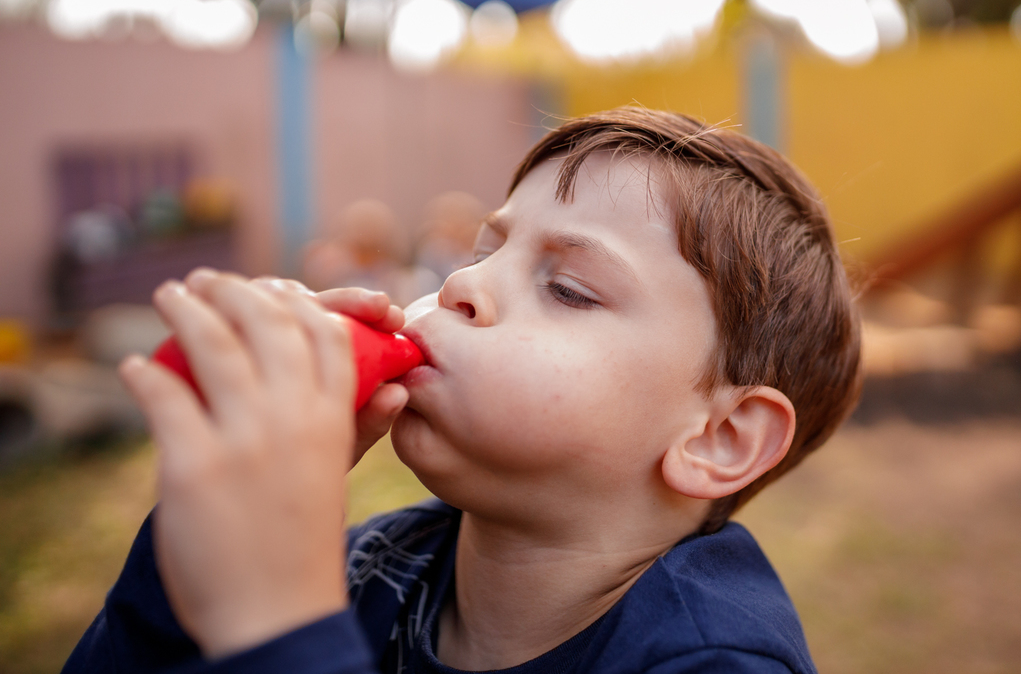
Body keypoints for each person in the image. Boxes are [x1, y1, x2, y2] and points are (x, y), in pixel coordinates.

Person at [63, 107, 862, 674]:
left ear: (718, 437)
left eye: (569, 289)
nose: (463, 285)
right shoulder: (371, 568)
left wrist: (280, 628)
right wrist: (200, 555)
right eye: (482, 252)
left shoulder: (714, 659)